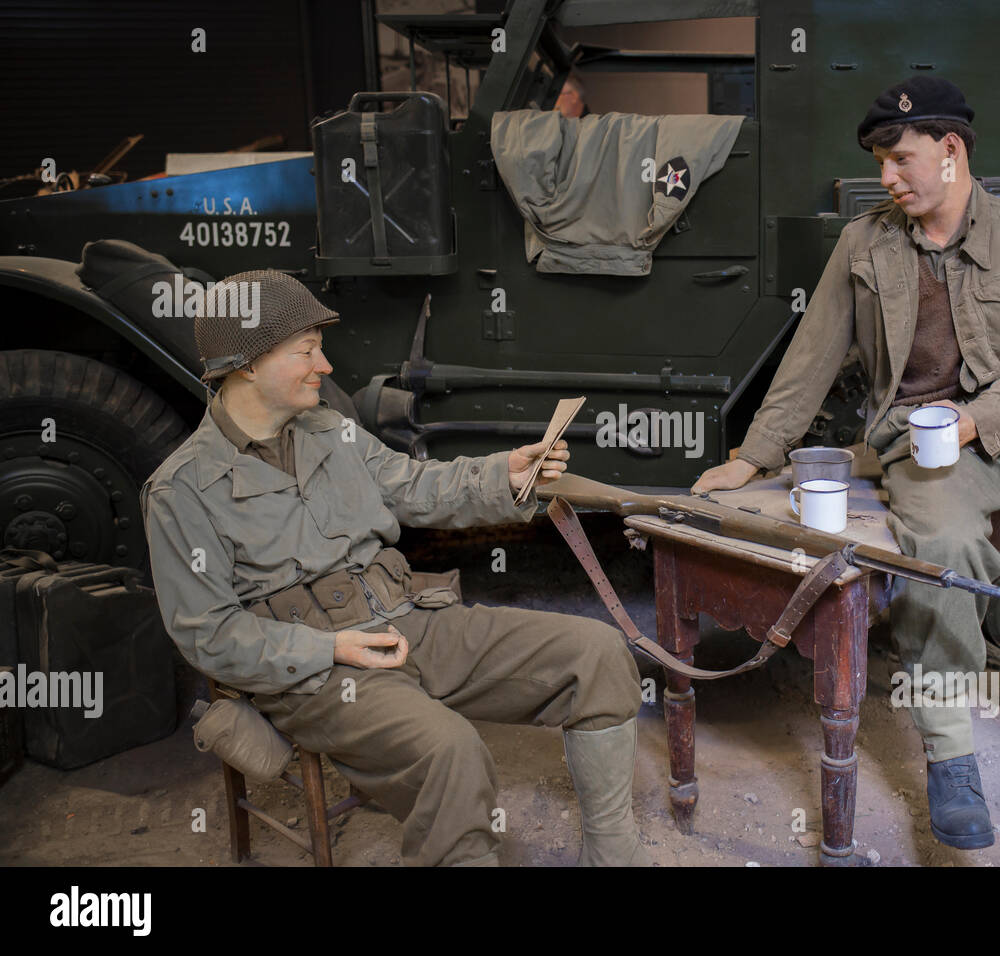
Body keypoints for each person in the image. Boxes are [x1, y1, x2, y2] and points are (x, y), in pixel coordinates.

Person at [692, 77, 1000, 866]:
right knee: (940, 559)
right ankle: (951, 759)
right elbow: (807, 364)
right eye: (879, 161)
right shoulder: (864, 244)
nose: (887, 177)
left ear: (951, 151)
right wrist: (751, 458)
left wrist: (974, 421)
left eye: (901, 159)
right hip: (918, 445)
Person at [140, 269, 647, 867]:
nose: (324, 366)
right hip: (318, 672)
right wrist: (331, 650)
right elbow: (208, 634)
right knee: (450, 752)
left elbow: (415, 485)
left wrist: (506, 472)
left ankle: (614, 858)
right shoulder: (182, 490)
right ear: (247, 364)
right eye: (306, 351)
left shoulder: (330, 431)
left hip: (410, 621)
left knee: (598, 654)